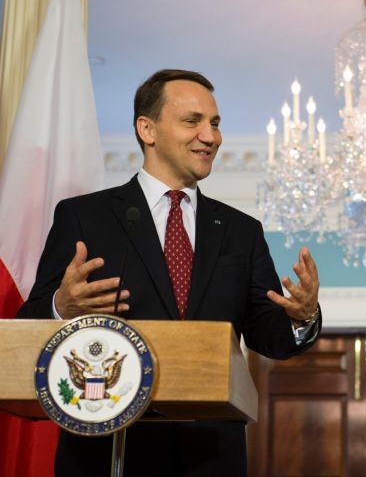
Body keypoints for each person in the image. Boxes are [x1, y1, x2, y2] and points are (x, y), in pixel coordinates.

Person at [17, 69, 321, 476]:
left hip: (211, 455)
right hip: (110, 450)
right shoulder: (84, 217)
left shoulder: (241, 231)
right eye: (192, 121)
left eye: (215, 123)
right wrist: (61, 307)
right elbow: (28, 322)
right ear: (148, 129)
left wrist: (302, 318)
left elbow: (268, 335)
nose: (210, 136)